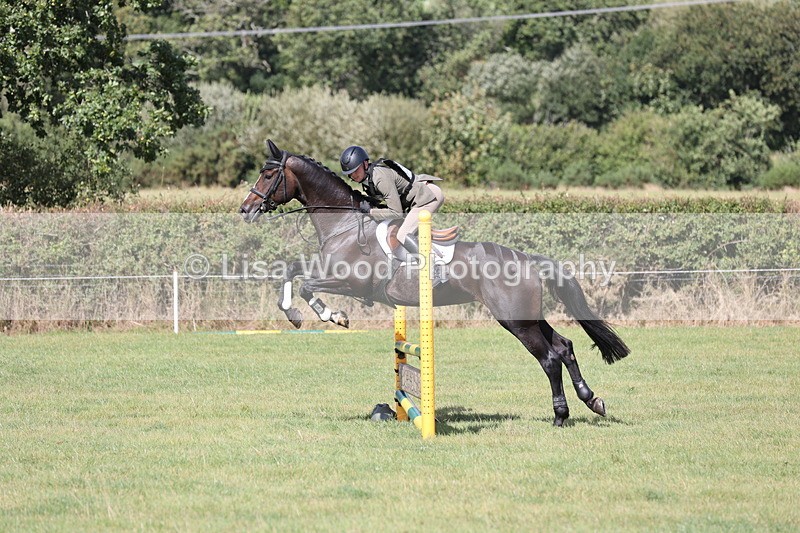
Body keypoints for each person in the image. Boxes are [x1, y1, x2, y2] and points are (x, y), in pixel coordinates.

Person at [340, 145, 444, 257]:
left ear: (365, 164)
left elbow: (396, 213)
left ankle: (432, 266)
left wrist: (371, 212)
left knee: (403, 235)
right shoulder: (368, 180)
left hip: (427, 197)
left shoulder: (379, 178)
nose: (353, 175)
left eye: (356, 170)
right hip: (419, 199)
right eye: (350, 173)